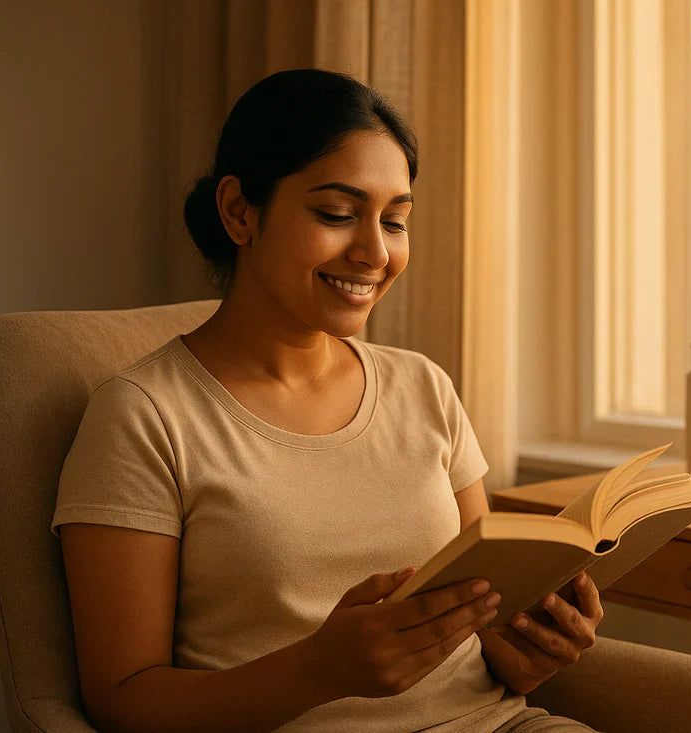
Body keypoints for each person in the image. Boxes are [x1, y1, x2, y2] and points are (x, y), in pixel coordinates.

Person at [52, 69, 604, 732]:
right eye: (337, 215)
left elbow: (489, 640)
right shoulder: (144, 417)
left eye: (395, 220)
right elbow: (121, 700)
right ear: (239, 212)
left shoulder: (424, 387)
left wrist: (538, 645)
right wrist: (320, 670)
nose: (375, 251)